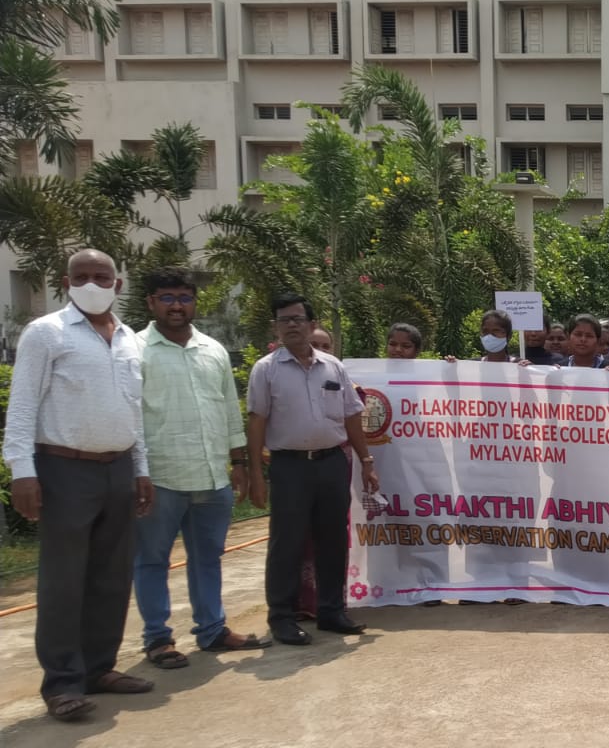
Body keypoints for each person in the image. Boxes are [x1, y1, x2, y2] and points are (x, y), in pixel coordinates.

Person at [2, 249, 155, 721]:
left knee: (112, 574)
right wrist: (21, 472)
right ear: (66, 283)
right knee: (65, 579)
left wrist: (140, 467)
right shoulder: (46, 333)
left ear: (118, 284)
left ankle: (99, 668)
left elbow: (133, 410)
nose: (92, 283)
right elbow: (23, 406)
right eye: (81, 276)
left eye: (101, 276)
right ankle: (63, 682)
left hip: (117, 468)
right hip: (64, 469)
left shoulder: (129, 338)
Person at [133, 266, 268, 670]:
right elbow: (129, 416)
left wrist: (239, 461)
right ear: (152, 303)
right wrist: (136, 472)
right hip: (161, 476)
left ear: (194, 302)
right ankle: (158, 639)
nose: (177, 306)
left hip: (212, 476)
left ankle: (212, 629)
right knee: (152, 559)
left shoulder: (214, 350)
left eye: (185, 298)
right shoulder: (135, 350)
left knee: (208, 558)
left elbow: (229, 409)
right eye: (168, 298)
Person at [246, 293, 381, 645]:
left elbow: (352, 417)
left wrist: (366, 461)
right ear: (275, 326)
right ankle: (282, 616)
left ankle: (332, 610)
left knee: (333, 540)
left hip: (332, 462)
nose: (291, 325)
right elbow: (257, 421)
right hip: (289, 466)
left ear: (311, 323)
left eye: (297, 319)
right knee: (286, 543)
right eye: (283, 320)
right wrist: (255, 473)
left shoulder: (333, 367)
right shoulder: (266, 369)